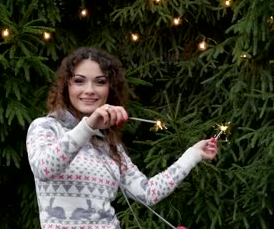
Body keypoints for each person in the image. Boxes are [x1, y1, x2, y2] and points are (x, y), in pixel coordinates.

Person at [26, 47, 218, 229]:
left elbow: (147, 193)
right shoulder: (45, 126)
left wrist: (193, 154)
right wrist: (88, 125)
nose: (90, 89)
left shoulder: (110, 144)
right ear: (66, 85)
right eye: (79, 81)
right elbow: (44, 168)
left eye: (100, 82)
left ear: (110, 88)